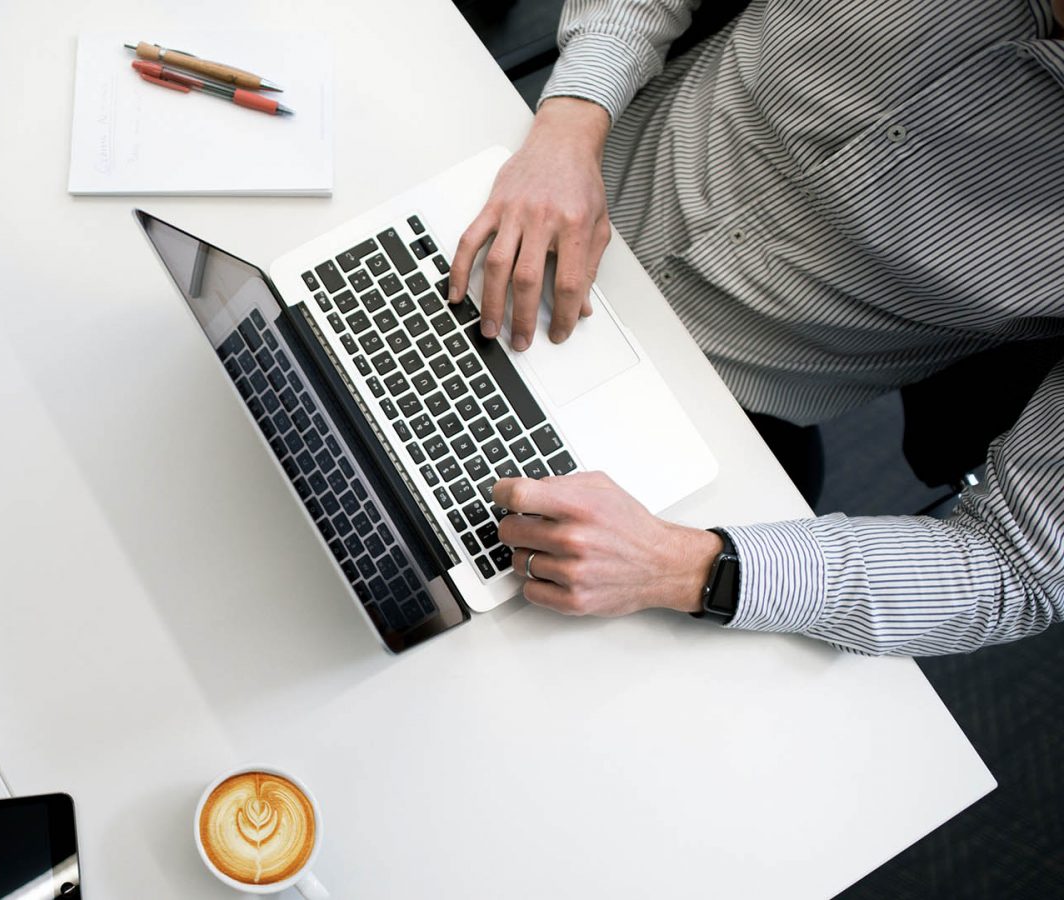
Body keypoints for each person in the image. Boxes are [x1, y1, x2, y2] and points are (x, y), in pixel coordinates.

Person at [456, 0, 1064, 655]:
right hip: (533, 184)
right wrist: (573, 119)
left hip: (710, 411)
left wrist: (686, 567)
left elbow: (1016, 565)